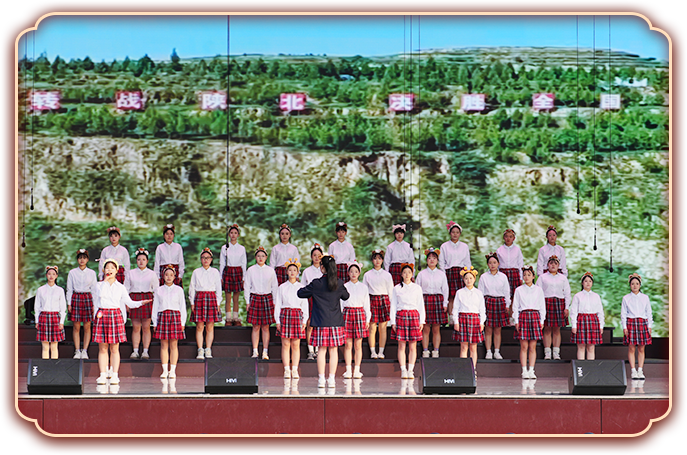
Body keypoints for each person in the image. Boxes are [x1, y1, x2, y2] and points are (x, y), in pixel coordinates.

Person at [93, 259, 151, 385]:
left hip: (115, 315)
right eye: (107, 268)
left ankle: (114, 374)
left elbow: (129, 302)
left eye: (112, 268)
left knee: (114, 348)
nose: (109, 270)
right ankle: (103, 374)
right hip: (102, 315)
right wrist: (105, 282)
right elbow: (100, 295)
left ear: (116, 271)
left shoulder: (120, 287)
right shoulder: (98, 285)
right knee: (103, 348)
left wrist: (141, 303)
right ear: (103, 270)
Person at [297, 255, 350, 388]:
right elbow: (346, 296)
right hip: (335, 321)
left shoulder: (316, 283)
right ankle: (331, 379)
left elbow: (300, 293)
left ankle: (321, 379)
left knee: (321, 350)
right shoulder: (339, 283)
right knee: (333, 351)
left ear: (322, 268)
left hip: (321, 322)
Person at [275, 259, 308, 379]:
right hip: (285, 314)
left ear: (298, 272)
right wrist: (277, 321)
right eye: (290, 270)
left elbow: (305, 305)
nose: (292, 272)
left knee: (296, 344)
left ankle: (294, 369)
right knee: (285, 344)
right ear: (287, 272)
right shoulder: (282, 287)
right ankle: (286, 369)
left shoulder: (302, 287)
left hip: (297, 315)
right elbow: (278, 304)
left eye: (295, 270)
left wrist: (304, 320)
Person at [390, 263, 425, 379]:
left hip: (414, 316)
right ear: (401, 274)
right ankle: (403, 370)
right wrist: (393, 322)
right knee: (401, 345)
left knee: (412, 345)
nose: (407, 275)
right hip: (401, 315)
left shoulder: (417, 288)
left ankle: (411, 370)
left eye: (409, 272)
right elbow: (393, 305)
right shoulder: (396, 288)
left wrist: (422, 321)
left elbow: (420, 304)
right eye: (404, 272)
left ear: (412, 274)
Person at [125, 248, 159, 360]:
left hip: (147, 299)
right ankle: (135, 351)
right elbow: (126, 289)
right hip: (134, 298)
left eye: (143, 259)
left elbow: (156, 290)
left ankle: (145, 351)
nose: (141, 262)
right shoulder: (130, 273)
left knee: (146, 327)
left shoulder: (152, 274)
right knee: (136, 327)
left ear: (147, 261)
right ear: (136, 260)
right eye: (139, 259)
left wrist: (155, 304)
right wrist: (127, 303)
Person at [245, 246, 279, 359]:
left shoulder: (270, 270)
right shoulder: (251, 270)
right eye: (258, 256)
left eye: (263, 256)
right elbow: (247, 286)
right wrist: (247, 301)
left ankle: (265, 351)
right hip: (255, 297)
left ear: (266, 257)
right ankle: (255, 351)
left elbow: (274, 287)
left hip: (267, 298)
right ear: (255, 257)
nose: (260, 258)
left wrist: (275, 301)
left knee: (266, 327)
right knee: (255, 326)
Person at [512, 266, 546, 379]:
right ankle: (524, 370)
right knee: (524, 346)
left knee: (532, 346)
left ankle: (531, 370)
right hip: (523, 316)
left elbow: (542, 306)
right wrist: (516, 321)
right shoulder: (519, 290)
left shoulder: (538, 290)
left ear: (533, 276)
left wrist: (542, 320)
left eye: (529, 275)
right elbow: (515, 306)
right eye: (524, 275)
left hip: (535, 316)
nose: (526, 277)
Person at [153, 265, 187, 378]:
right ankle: (164, 370)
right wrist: (155, 322)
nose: (168, 277)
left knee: (174, 344)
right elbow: (155, 307)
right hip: (163, 316)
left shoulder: (179, 290)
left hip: (175, 316)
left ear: (174, 276)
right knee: (163, 344)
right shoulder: (159, 290)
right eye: (166, 275)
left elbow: (182, 306)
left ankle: (172, 370)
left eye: (171, 275)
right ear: (163, 276)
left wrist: (182, 322)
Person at [189, 247, 223, 360]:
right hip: (199, 297)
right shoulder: (196, 272)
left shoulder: (215, 272)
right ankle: (200, 349)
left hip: (211, 297)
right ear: (201, 259)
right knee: (199, 326)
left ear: (211, 259)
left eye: (208, 258)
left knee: (209, 326)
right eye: (203, 258)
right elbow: (192, 287)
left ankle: (208, 349)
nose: (206, 260)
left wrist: (218, 302)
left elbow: (218, 288)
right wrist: (192, 302)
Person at [452, 266, 486, 376]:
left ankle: (472, 369)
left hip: (475, 319)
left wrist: (482, 322)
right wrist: (456, 321)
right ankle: (463, 370)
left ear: (474, 279)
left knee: (473, 347)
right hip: (463, 318)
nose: (468, 280)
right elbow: (455, 308)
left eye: (471, 278)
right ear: (463, 279)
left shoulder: (478, 293)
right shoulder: (459, 292)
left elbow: (482, 309)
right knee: (463, 346)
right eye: (466, 278)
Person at [416, 247, 449, 358]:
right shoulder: (421, 274)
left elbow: (445, 289)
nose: (432, 260)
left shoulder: (441, 274)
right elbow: (417, 290)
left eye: (434, 258)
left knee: (436, 328)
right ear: (426, 260)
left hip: (437, 300)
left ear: (437, 260)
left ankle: (436, 351)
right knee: (425, 328)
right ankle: (425, 351)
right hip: (425, 300)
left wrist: (445, 303)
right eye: (429, 258)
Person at [536, 255, 571, 360]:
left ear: (559, 265)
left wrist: (566, 307)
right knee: (547, 328)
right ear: (547, 265)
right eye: (551, 263)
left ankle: (556, 353)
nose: (553, 265)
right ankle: (547, 352)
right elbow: (537, 292)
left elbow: (567, 293)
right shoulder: (542, 277)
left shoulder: (563, 278)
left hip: (559, 303)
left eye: (555, 263)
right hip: (546, 302)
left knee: (557, 329)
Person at [478, 252, 511, 360]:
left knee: (497, 329)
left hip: (500, 302)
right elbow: (480, 293)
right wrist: (481, 307)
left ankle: (497, 351)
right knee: (488, 329)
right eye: (490, 263)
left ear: (498, 263)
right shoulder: (483, 277)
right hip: (488, 302)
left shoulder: (503, 277)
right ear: (488, 264)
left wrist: (507, 304)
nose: (492, 265)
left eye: (494, 262)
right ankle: (488, 351)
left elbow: (506, 291)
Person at [341, 261, 370, 379]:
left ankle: (357, 370)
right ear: (348, 273)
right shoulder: (344, 286)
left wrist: (367, 319)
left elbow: (367, 304)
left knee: (358, 345)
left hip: (359, 314)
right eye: (351, 271)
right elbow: (340, 304)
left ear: (359, 273)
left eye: (356, 271)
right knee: (348, 344)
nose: (353, 274)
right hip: (347, 313)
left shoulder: (363, 287)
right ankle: (348, 370)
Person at [363, 249, 394, 359]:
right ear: (372, 260)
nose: (377, 261)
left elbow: (391, 291)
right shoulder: (367, 275)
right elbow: (364, 291)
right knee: (372, 328)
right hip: (372, 299)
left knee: (383, 328)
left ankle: (381, 351)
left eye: (379, 258)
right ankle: (372, 352)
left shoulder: (387, 275)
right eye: (375, 258)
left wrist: (392, 306)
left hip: (384, 300)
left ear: (382, 260)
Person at [66, 249, 97, 359]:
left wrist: (94, 304)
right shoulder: (72, 273)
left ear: (87, 259)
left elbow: (94, 290)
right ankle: (77, 350)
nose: (82, 260)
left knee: (87, 326)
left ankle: (85, 351)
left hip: (87, 298)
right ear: (77, 260)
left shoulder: (92, 273)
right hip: (76, 297)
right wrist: (69, 303)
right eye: (80, 258)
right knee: (76, 326)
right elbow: (69, 289)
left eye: (84, 258)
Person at [622, 273, 654, 379]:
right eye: (632, 284)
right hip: (631, 323)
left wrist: (649, 325)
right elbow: (623, 313)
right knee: (631, 348)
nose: (635, 286)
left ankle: (640, 370)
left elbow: (649, 312)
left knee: (641, 348)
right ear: (630, 285)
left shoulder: (645, 298)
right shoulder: (626, 298)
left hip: (642, 323)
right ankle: (633, 370)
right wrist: (624, 327)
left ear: (640, 285)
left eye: (637, 283)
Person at [439, 221, 471, 326]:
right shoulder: (444, 246)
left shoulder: (464, 246)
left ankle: (461, 317)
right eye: (453, 232)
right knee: (451, 296)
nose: (455, 234)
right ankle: (452, 317)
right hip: (450, 272)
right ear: (450, 233)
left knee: (461, 295)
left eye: (457, 232)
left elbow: (467, 261)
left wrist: (467, 274)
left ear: (460, 233)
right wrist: (443, 275)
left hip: (461, 272)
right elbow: (442, 262)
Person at [570, 272, 604, 360]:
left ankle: (590, 366)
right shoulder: (578, 296)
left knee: (591, 347)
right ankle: (581, 366)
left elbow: (600, 312)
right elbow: (573, 311)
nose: (588, 283)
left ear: (592, 283)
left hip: (593, 320)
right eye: (585, 281)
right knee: (581, 346)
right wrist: (574, 325)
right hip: (581, 320)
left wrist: (601, 325)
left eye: (590, 281)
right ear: (582, 283)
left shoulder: (596, 296)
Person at [35, 266, 67, 359]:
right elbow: (37, 307)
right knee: (45, 347)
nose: (51, 276)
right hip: (44, 317)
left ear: (56, 276)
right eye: (49, 274)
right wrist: (37, 321)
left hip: (55, 317)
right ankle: (45, 366)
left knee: (54, 346)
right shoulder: (40, 290)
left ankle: (54, 366)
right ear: (46, 275)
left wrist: (61, 322)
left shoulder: (60, 290)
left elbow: (63, 308)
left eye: (53, 274)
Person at [220, 223, 247, 326]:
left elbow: (244, 263)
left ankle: (235, 318)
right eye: (231, 233)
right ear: (229, 234)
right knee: (228, 297)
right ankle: (228, 318)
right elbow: (222, 263)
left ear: (238, 235)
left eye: (235, 233)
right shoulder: (224, 248)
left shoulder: (242, 248)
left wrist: (244, 277)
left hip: (238, 271)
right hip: (228, 271)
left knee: (236, 297)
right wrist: (221, 276)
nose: (233, 235)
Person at [302, 243, 324, 360]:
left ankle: (318, 349)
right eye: (314, 255)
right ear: (311, 256)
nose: (316, 258)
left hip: (322, 299)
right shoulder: (307, 271)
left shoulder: (324, 270)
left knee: (320, 323)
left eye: (319, 256)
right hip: (310, 298)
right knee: (310, 323)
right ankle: (311, 350)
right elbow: (303, 287)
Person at [153, 223, 185, 288]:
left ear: (173, 235)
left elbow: (181, 262)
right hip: (163, 272)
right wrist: (157, 277)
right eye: (167, 234)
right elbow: (157, 264)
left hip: (175, 273)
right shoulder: (160, 247)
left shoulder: (178, 247)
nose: (169, 236)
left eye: (171, 234)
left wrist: (180, 275)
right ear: (164, 235)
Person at [497, 228, 523, 304]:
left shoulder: (517, 250)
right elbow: (497, 264)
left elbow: (520, 264)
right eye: (506, 236)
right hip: (503, 273)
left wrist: (521, 277)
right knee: (504, 294)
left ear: (514, 238)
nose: (508, 238)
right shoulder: (499, 250)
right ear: (503, 237)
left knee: (514, 296)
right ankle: (506, 310)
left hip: (514, 274)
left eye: (510, 236)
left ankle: (513, 310)